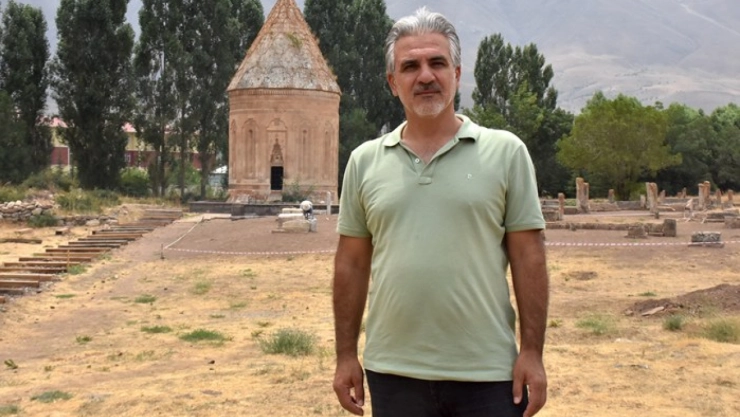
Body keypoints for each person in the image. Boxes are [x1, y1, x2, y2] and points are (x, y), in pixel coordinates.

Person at [332, 7, 549, 417]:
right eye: (410, 66)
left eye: (437, 63)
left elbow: (529, 257)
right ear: (392, 82)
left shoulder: (506, 153)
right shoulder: (364, 162)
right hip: (392, 371)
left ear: (457, 74)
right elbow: (351, 264)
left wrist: (532, 352)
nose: (426, 76)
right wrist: (345, 355)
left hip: (487, 372)